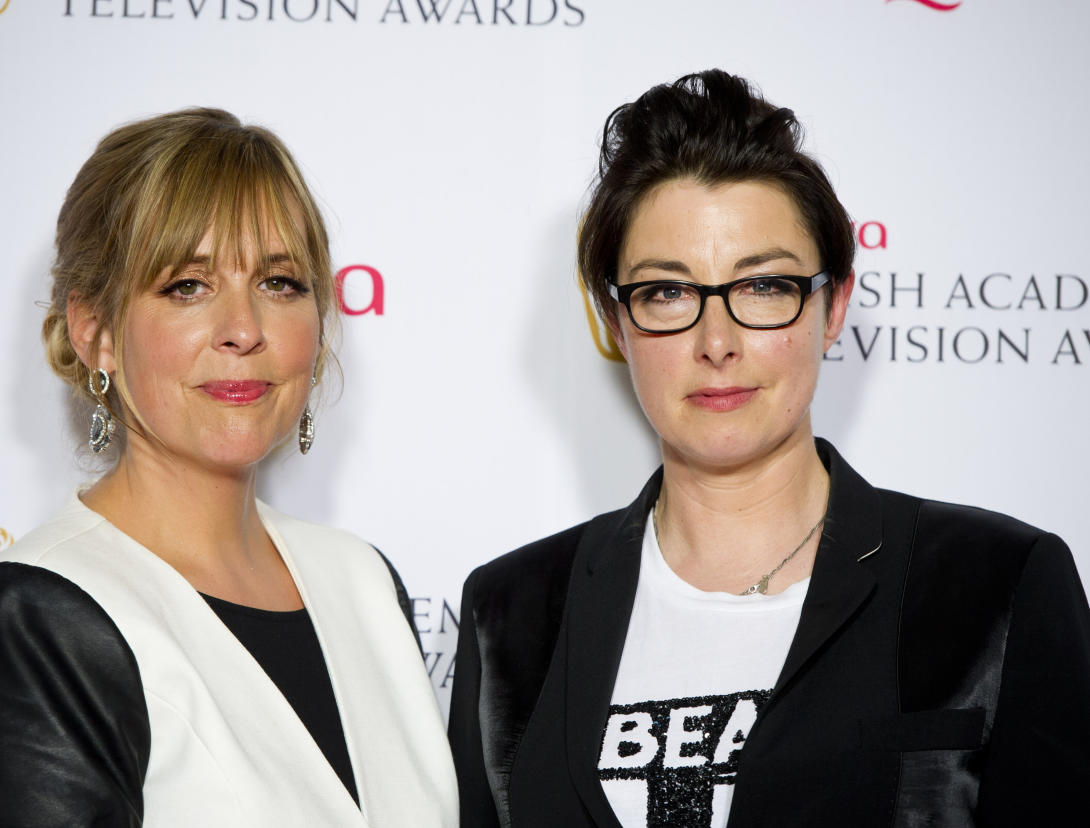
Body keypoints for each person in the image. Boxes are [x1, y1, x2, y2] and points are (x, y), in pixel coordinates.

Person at [448, 70, 1090, 827]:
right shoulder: (513, 614)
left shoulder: (993, 585)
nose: (715, 342)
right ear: (616, 325)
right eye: (667, 293)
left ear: (833, 307)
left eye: (762, 288)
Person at [0, 108, 458, 827]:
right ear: (96, 332)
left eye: (279, 283)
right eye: (188, 286)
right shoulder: (34, 620)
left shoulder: (362, 581)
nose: (244, 329)